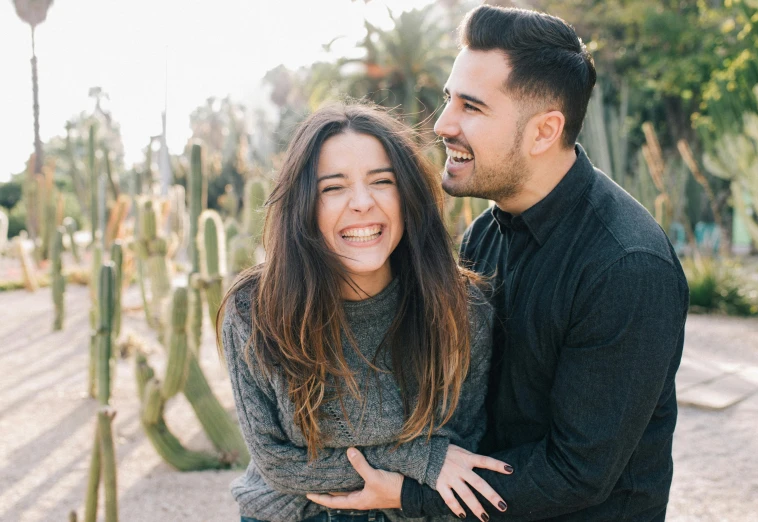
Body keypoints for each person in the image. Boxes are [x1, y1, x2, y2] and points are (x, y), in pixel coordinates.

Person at [307, 6, 689, 521]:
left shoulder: (626, 266)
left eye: (471, 106)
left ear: (543, 131)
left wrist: (408, 495)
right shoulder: (487, 232)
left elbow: (577, 472)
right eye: (449, 99)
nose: (442, 124)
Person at [217, 103, 512, 522]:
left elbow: (462, 449)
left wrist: (410, 480)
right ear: (304, 205)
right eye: (333, 187)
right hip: (292, 514)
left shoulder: (460, 308)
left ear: (406, 195)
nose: (361, 203)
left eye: (382, 181)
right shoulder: (254, 310)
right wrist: (420, 459)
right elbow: (277, 463)